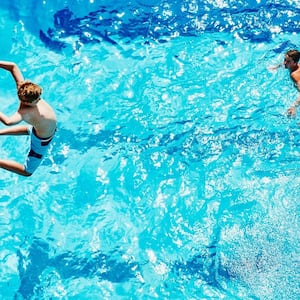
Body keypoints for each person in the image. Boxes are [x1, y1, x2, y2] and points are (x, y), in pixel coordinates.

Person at [0, 61, 57, 176]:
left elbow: (13, 66)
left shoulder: (24, 89)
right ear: (27, 102)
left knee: (30, 129)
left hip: (40, 130)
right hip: (42, 141)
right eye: (37, 100)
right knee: (27, 172)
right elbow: (8, 121)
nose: (40, 100)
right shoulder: (25, 113)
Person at [283, 50, 300, 116]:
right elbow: (284, 64)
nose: (284, 63)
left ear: (295, 63)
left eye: (288, 61)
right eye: (285, 59)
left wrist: (293, 106)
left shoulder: (294, 75)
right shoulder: (293, 65)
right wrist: (276, 67)